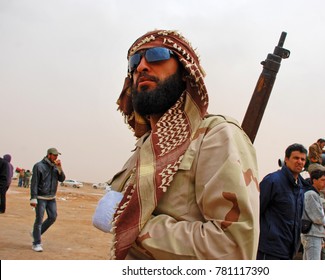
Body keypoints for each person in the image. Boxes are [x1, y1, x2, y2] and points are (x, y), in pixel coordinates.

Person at [103, 30, 259, 260]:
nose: (141, 67)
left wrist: (130, 222)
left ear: (185, 72)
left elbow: (232, 249)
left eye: (156, 55)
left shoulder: (214, 135)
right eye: (135, 60)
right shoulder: (145, 145)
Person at [257, 143, 309, 260]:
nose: (299, 162)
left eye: (302, 159)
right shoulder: (272, 181)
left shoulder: (300, 187)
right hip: (270, 251)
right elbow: (256, 211)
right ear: (286, 159)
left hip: (289, 251)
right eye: (296, 158)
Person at [30, 148, 65, 252]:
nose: (56, 157)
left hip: (51, 198)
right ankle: (36, 243)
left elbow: (62, 179)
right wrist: (33, 198)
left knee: (53, 217)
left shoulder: (55, 167)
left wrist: (60, 168)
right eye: (54, 155)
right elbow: (34, 183)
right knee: (39, 220)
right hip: (41, 198)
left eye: (57, 156)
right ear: (49, 155)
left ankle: (35, 234)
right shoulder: (38, 166)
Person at [301, 169, 325, 260]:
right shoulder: (311, 194)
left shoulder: (315, 194)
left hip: (314, 235)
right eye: (322, 180)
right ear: (314, 180)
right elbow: (318, 218)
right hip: (312, 235)